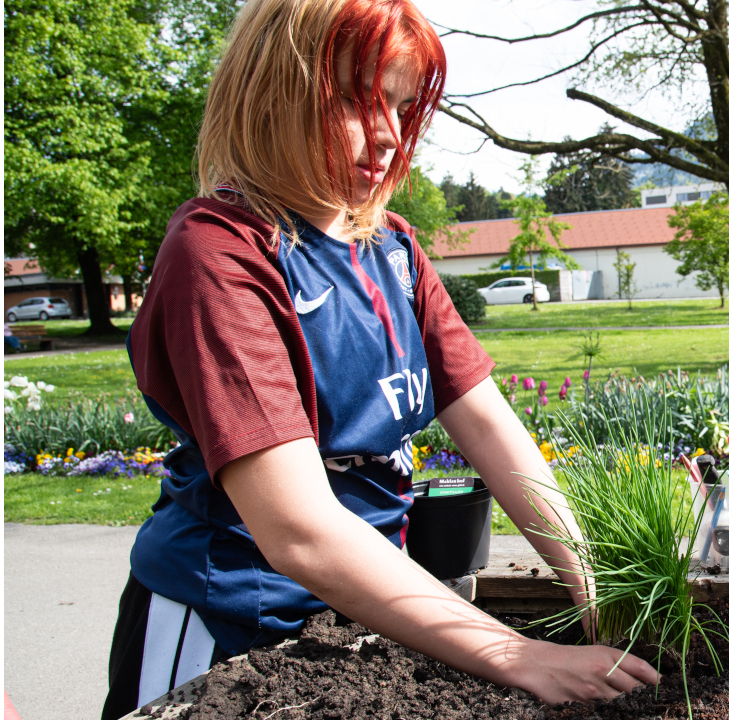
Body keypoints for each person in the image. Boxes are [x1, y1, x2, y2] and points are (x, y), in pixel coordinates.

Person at [100, 1, 658, 717]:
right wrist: (521, 655)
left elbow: (488, 426)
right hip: (226, 628)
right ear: (275, 93)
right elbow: (298, 529)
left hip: (364, 620)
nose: (390, 135)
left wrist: (590, 577)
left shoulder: (391, 249)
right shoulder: (220, 254)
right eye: (356, 101)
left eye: (401, 105)